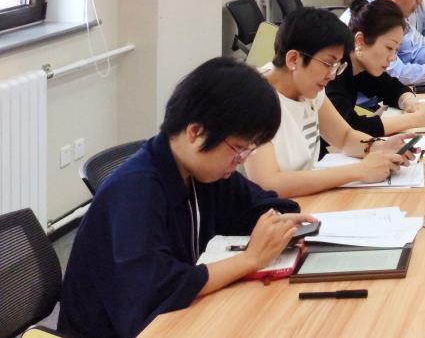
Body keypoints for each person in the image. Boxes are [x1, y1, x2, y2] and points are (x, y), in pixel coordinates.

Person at [59, 58, 317, 338]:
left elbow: (262, 205)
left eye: (248, 151)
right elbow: (157, 290)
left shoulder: (202, 172)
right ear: (196, 132)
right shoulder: (135, 191)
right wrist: (249, 260)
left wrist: (277, 224)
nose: (240, 161)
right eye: (238, 149)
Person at [245, 7, 414, 198]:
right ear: (293, 59)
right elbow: (268, 183)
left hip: (304, 201)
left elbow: (344, 137)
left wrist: (379, 147)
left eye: (337, 65)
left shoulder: (308, 87)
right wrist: (358, 171)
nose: (332, 75)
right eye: (328, 63)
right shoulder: (254, 98)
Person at [327, 0, 425, 137]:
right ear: (360, 41)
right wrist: (415, 119)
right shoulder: (333, 70)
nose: (393, 57)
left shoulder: (362, 65)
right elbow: (348, 127)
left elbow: (391, 87)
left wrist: (411, 103)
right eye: (389, 47)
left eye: (396, 50)